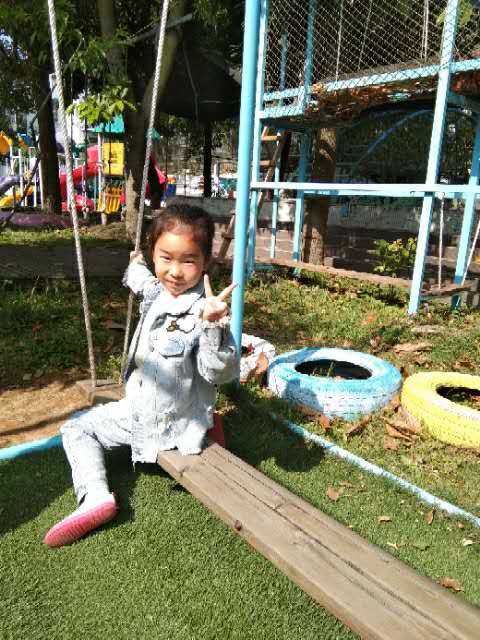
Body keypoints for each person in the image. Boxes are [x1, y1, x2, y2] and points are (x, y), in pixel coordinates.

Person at [44, 204, 238, 548]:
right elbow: (146, 283)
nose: (175, 271)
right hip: (155, 406)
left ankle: (94, 497)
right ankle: (206, 422)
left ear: (206, 262)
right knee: (93, 420)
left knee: (76, 428)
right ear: (154, 255)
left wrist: (213, 326)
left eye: (188, 260)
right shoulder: (160, 292)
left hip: (157, 422)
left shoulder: (204, 313)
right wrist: (135, 263)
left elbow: (218, 372)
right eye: (165, 258)